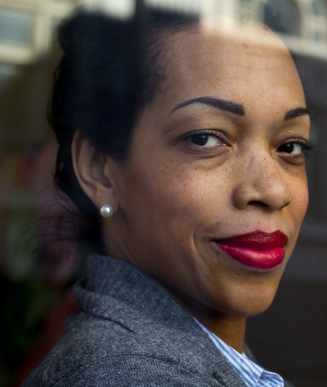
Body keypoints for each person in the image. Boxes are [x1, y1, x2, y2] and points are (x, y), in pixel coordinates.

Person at [24, 6, 310, 386]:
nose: (273, 190)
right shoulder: (122, 373)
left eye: (291, 146)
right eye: (205, 138)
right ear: (99, 169)